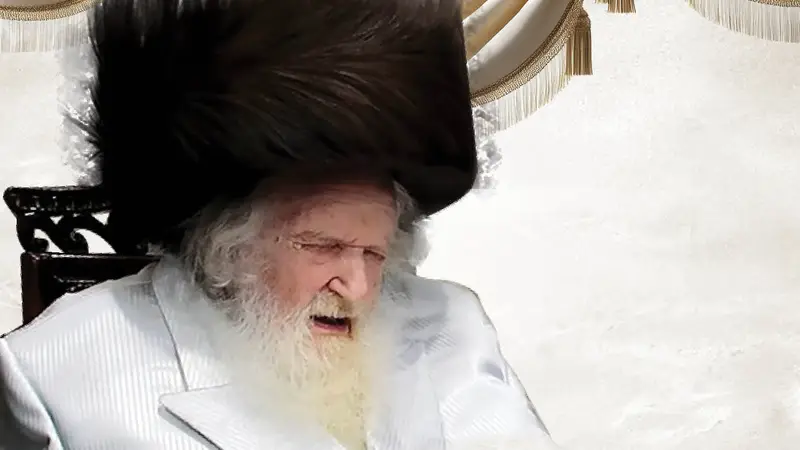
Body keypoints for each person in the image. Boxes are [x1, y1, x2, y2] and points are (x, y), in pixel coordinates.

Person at [0, 0, 558, 448]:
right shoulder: (54, 371)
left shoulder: (454, 326)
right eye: (322, 246)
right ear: (226, 246)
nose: (358, 287)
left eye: (375, 252)